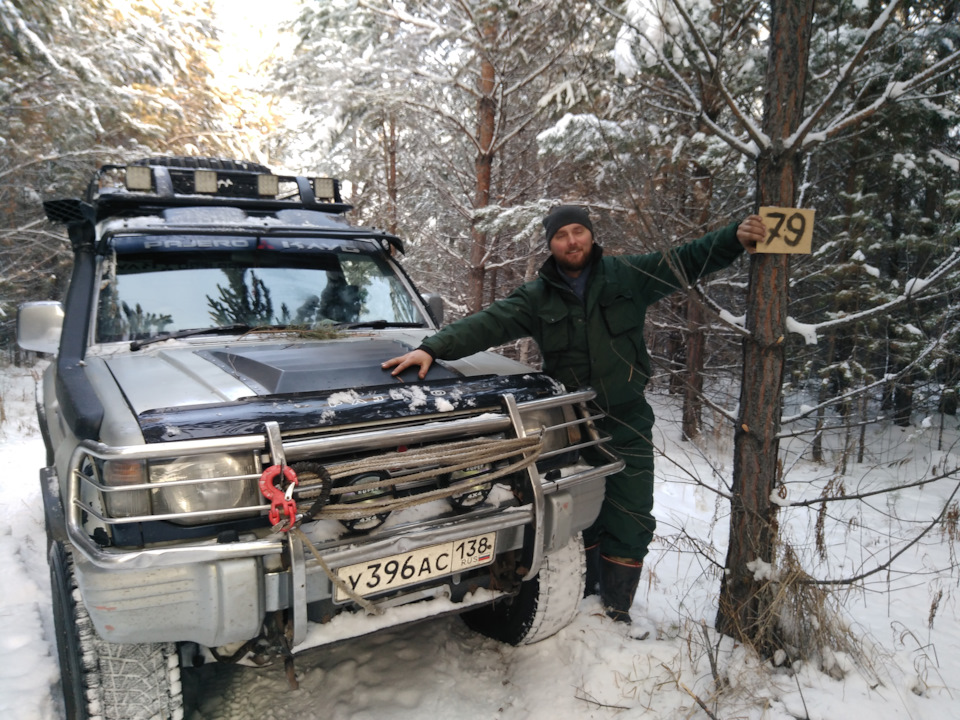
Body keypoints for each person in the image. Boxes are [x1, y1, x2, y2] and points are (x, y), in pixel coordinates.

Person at [383, 206, 765, 623]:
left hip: (625, 418)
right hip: (570, 424)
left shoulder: (628, 276)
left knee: (633, 511)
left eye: (578, 231)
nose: (571, 241)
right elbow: (487, 324)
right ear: (551, 244)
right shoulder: (537, 296)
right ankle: (582, 598)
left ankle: (615, 610)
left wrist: (734, 239)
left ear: (591, 235)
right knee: (578, 514)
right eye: (561, 234)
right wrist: (433, 348)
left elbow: (686, 260)